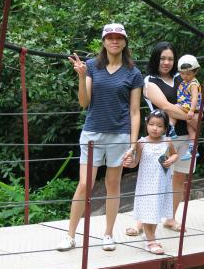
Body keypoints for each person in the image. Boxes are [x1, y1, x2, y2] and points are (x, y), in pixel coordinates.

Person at [57, 23, 143, 251]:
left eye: (119, 37)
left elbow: (135, 111)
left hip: (120, 134)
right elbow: (84, 102)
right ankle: (70, 235)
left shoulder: (133, 73)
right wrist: (82, 76)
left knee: (113, 184)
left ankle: (108, 234)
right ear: (104, 41)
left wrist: (133, 144)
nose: (114, 41)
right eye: (110, 37)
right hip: (93, 132)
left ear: (125, 42)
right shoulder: (93, 67)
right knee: (85, 184)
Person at [125, 42, 195, 236]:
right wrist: (191, 115)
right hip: (161, 137)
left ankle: (170, 217)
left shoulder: (182, 78)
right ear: (156, 59)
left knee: (179, 178)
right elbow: (165, 106)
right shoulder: (150, 81)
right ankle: (140, 222)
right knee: (152, 179)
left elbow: (195, 103)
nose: (166, 62)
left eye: (170, 59)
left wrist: (191, 114)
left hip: (183, 135)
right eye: (162, 58)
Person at [125, 109, 178, 254]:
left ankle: (150, 237)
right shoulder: (141, 142)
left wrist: (171, 160)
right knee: (148, 211)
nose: (155, 128)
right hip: (146, 184)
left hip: (161, 184)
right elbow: (135, 162)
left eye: (160, 126)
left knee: (155, 212)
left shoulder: (167, 141)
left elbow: (175, 154)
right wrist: (129, 163)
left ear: (165, 128)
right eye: (152, 124)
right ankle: (151, 240)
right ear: (146, 125)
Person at [172, 54, 202, 160]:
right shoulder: (185, 82)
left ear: (195, 72)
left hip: (190, 107)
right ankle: (193, 149)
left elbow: (194, 98)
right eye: (182, 73)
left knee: (172, 108)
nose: (185, 76)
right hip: (188, 107)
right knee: (191, 131)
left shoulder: (193, 83)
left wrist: (192, 110)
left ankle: (171, 128)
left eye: (188, 74)